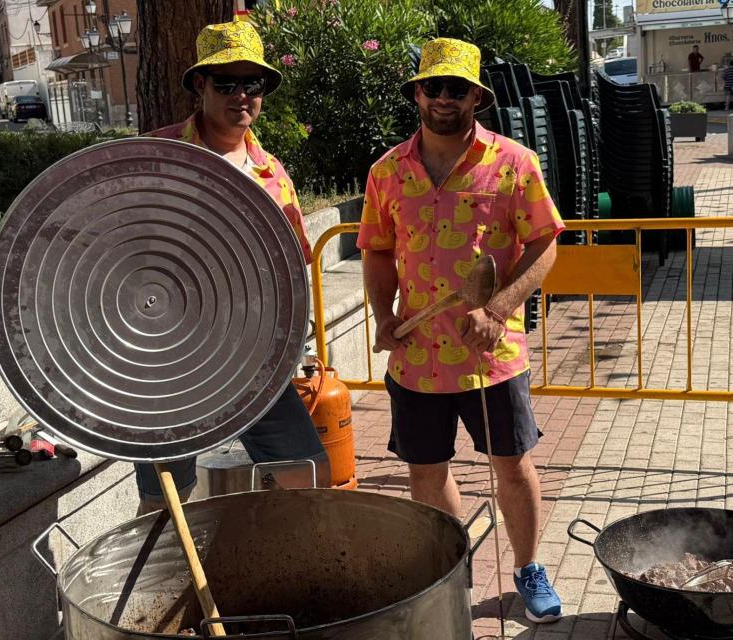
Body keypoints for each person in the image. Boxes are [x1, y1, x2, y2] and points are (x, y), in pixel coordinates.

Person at [357, 38, 564, 623]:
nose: (444, 98)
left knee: (513, 465)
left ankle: (527, 567)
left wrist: (498, 309)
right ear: (417, 93)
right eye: (433, 87)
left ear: (477, 96)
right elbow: (375, 251)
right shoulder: (387, 171)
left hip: (492, 355)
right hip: (418, 358)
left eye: (457, 88)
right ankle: (455, 570)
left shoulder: (514, 163)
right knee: (426, 473)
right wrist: (384, 313)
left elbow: (546, 241)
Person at [135, 21, 329, 515]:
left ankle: (282, 573)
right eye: (227, 83)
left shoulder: (272, 172)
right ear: (200, 85)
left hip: (252, 358)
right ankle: (163, 589)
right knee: (164, 505)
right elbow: (116, 248)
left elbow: (295, 260)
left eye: (253, 84)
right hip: (171, 363)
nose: (241, 94)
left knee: (306, 474)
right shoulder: (157, 155)